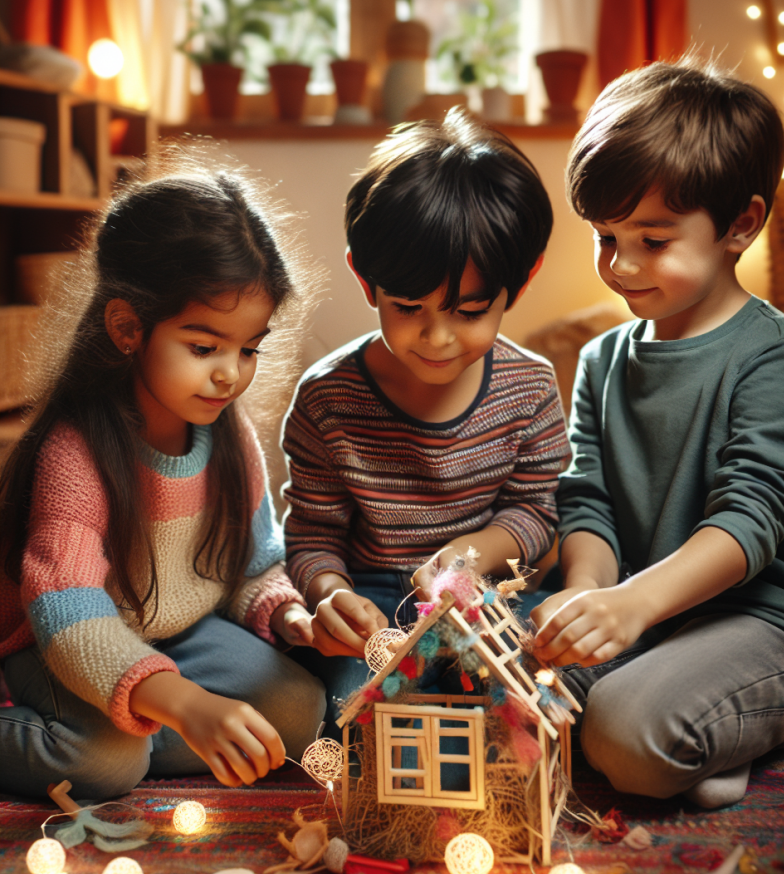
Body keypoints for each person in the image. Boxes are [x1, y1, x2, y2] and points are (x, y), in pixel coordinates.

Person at [531, 56, 784, 809]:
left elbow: (751, 519)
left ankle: (764, 720)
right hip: (643, 617)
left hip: (763, 626)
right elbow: (587, 501)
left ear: (741, 225)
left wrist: (635, 606)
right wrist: (586, 596)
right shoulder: (603, 358)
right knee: (503, 688)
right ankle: (692, 729)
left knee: (619, 734)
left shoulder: (773, 353)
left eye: (653, 239)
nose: (621, 265)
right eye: (605, 238)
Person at [0, 166, 325, 801]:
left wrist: (289, 615)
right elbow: (68, 612)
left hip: (178, 634)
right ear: (128, 329)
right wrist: (183, 702)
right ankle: (115, 738)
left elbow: (254, 566)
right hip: (62, 643)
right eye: (204, 348)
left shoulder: (229, 438)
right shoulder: (77, 451)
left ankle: (136, 731)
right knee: (105, 763)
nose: (230, 375)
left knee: (294, 708)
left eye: (248, 349)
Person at [279, 109, 569, 720]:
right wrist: (330, 596)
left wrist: (473, 555)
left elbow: (537, 512)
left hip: (488, 595)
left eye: (468, 312)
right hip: (373, 604)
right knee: (345, 713)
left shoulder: (530, 386)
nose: (437, 338)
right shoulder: (327, 397)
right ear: (366, 279)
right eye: (409, 307)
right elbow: (312, 535)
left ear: (520, 283)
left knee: (537, 704)